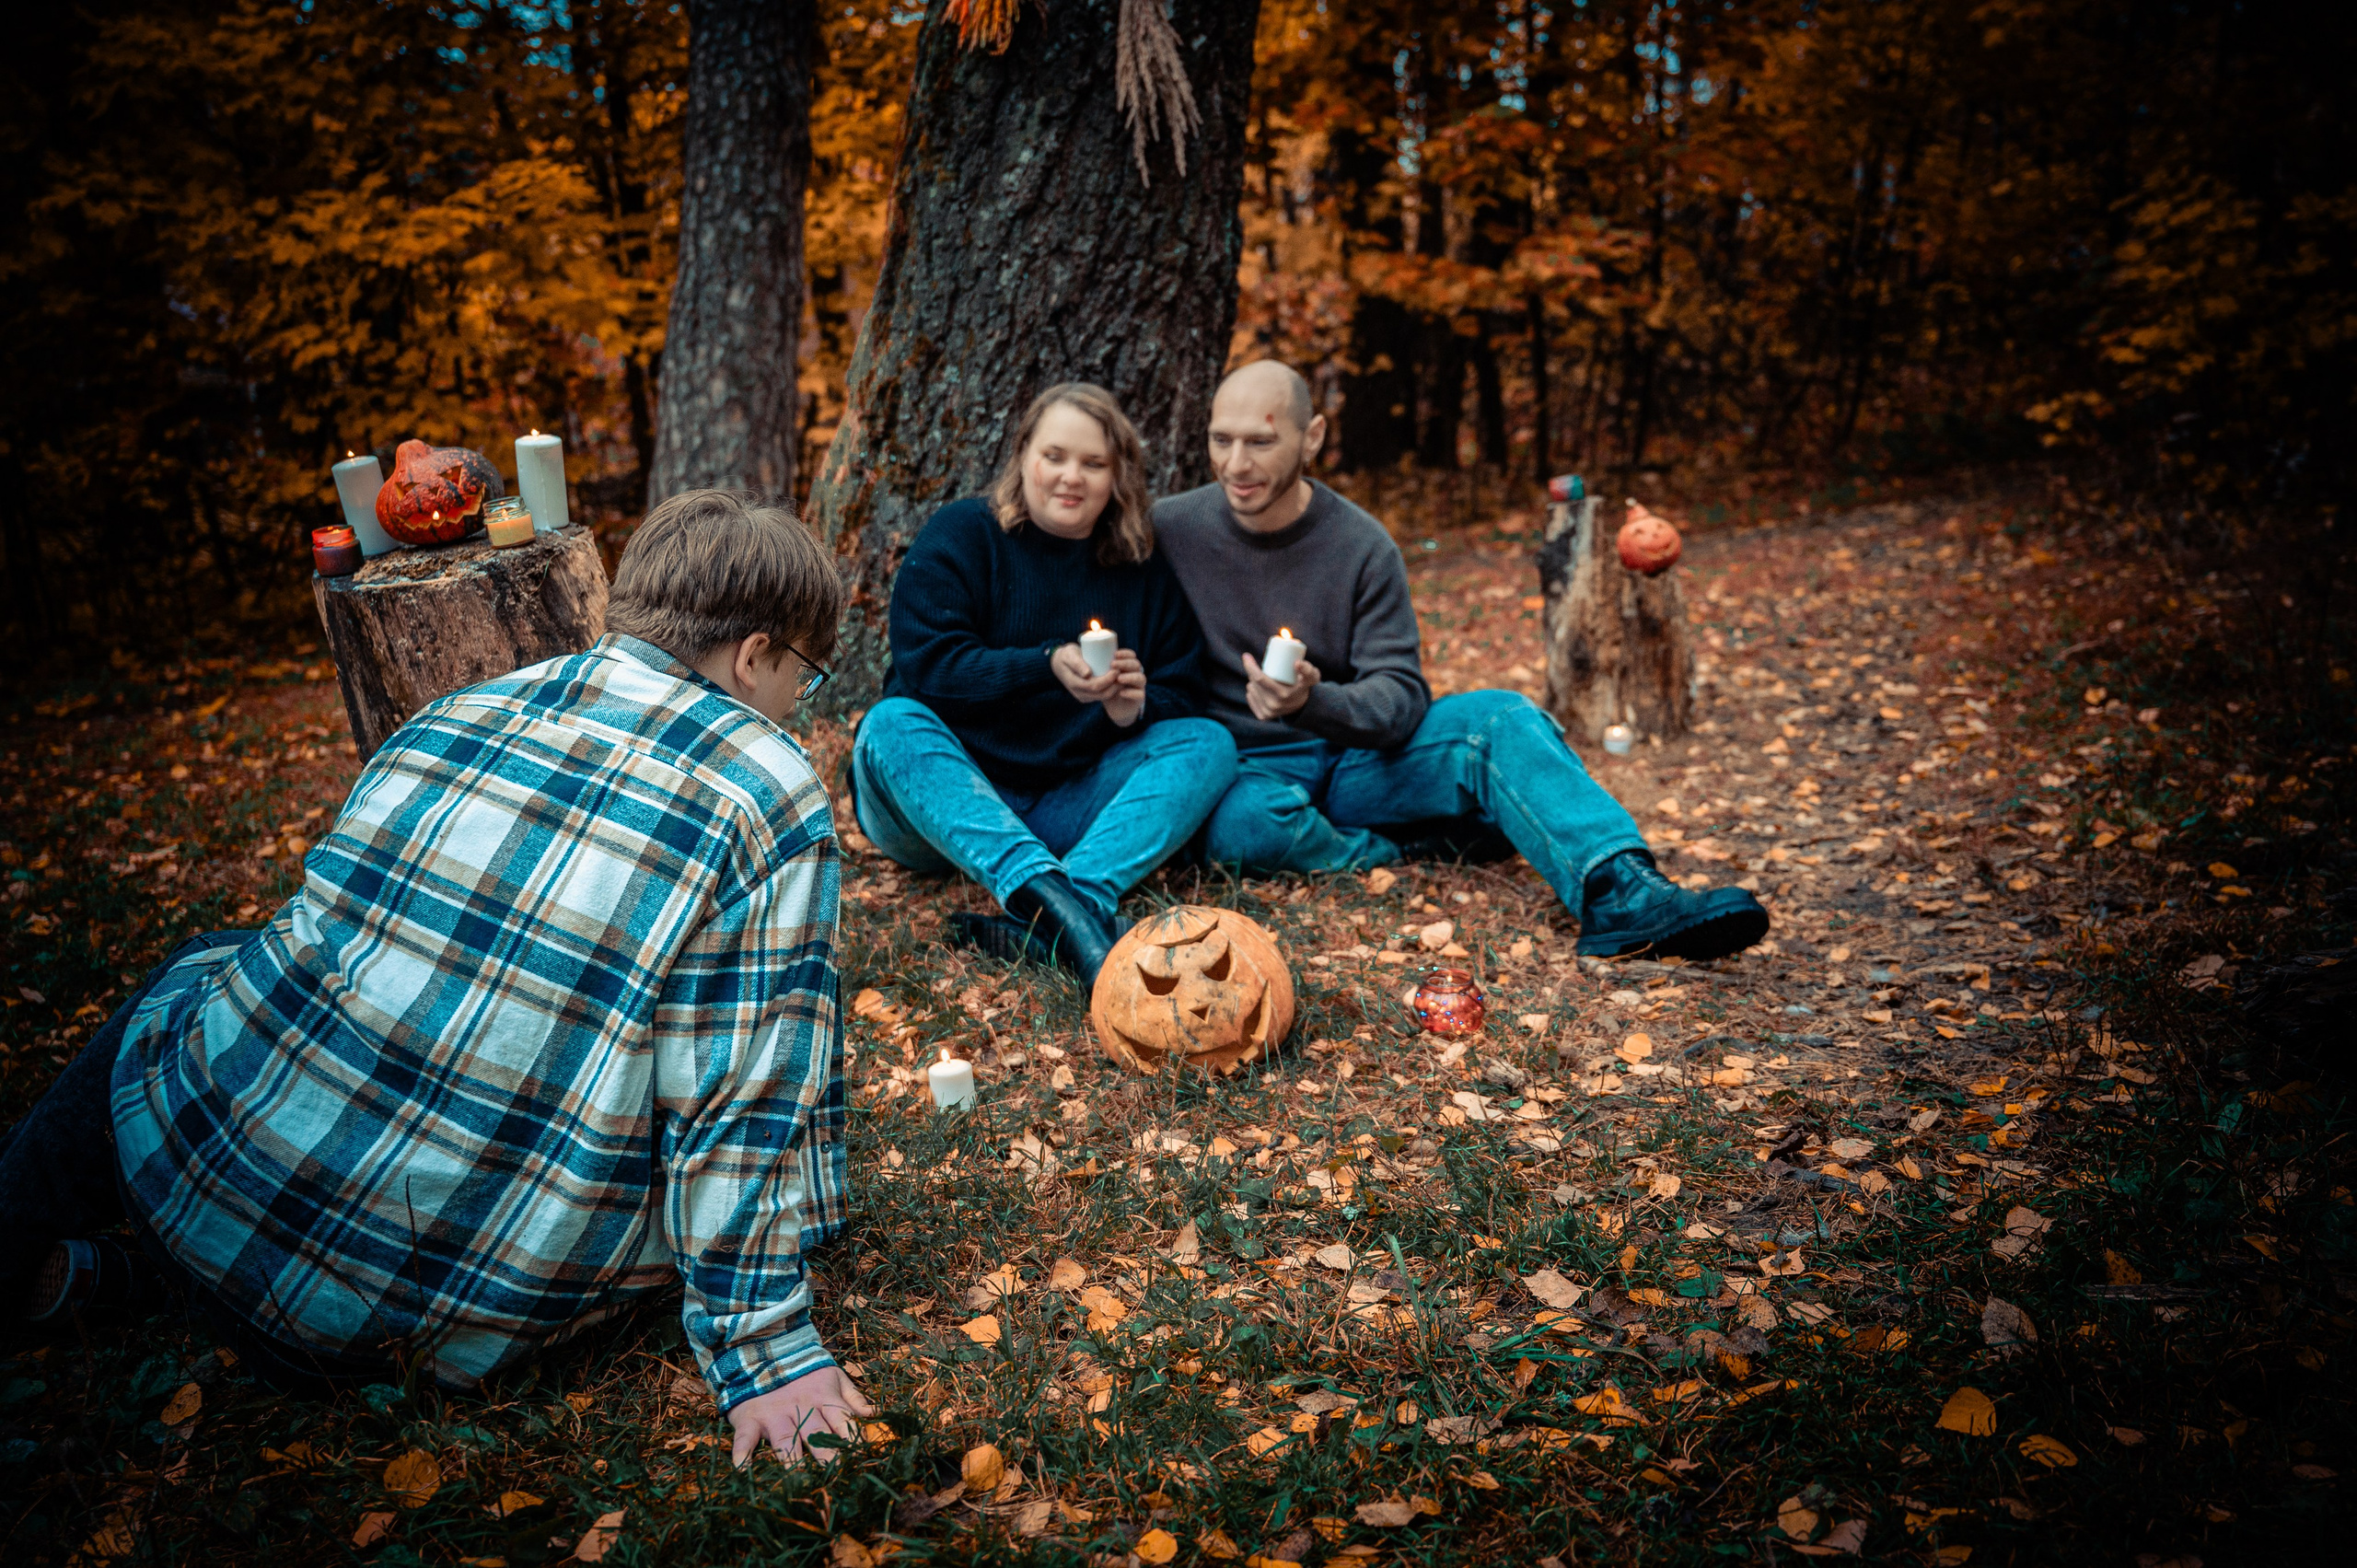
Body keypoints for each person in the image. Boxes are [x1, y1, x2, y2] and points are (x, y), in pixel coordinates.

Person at [1, 490, 872, 1467]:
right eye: (807, 669)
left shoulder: (469, 704)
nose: (801, 696)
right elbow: (736, 1091)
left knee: (206, 959)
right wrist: (764, 1350)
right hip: (417, 1319)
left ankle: (45, 1242)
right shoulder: (767, 781)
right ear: (756, 654)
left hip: (192, 1189)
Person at [1153, 361, 1771, 959]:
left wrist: (1313, 701)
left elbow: (1400, 697)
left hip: (1351, 763)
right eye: (1221, 440)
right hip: (1245, 773)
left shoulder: (1361, 545)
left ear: (1312, 436)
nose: (1237, 464)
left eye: (1260, 441)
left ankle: (1622, 890)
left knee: (1499, 719)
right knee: (1241, 827)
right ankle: (1395, 846)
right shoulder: (1171, 529)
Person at [851, 382, 1237, 983]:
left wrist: (1132, 710)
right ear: (1023, 454)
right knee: (887, 724)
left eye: (1093, 463)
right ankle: (1058, 900)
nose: (1070, 477)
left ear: (1118, 476)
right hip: (940, 807)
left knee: (1210, 743)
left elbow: (1184, 691)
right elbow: (927, 667)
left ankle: (1062, 906)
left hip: (1062, 802)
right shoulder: (963, 535)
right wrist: (1043, 663)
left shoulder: (1137, 566)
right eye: (1054, 455)